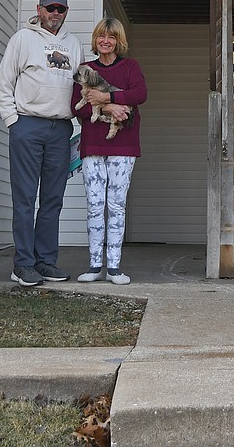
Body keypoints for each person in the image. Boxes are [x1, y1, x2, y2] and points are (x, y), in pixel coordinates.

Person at [0, 0, 82, 286]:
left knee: (53, 199)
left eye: (60, 9)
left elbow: (78, 86)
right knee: (24, 198)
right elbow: (4, 82)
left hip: (60, 130)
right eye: (50, 8)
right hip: (27, 126)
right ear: (39, 9)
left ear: (65, 12)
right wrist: (12, 121)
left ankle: (46, 262)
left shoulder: (74, 44)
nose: (54, 13)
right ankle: (23, 264)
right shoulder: (22, 39)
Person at [71, 16, 147, 285]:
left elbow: (140, 94)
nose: (106, 41)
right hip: (92, 146)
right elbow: (74, 106)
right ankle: (94, 265)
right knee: (94, 205)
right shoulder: (85, 69)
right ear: (96, 39)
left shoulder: (130, 67)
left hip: (123, 148)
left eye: (112, 37)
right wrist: (110, 108)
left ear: (119, 41)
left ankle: (114, 267)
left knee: (116, 205)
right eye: (102, 36)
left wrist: (107, 97)